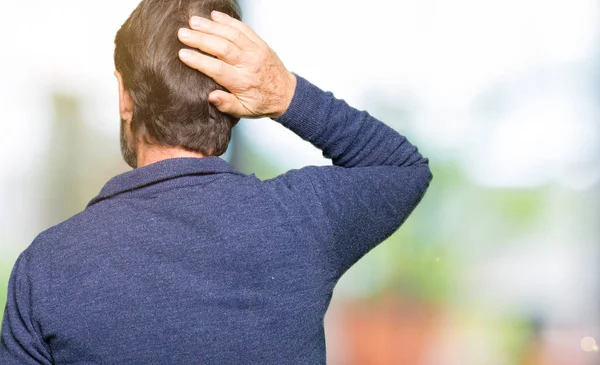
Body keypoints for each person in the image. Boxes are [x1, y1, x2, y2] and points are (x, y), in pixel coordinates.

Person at [0, 0, 433, 363]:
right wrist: (285, 93)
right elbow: (399, 168)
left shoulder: (46, 269)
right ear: (235, 94)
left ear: (125, 96)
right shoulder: (300, 221)